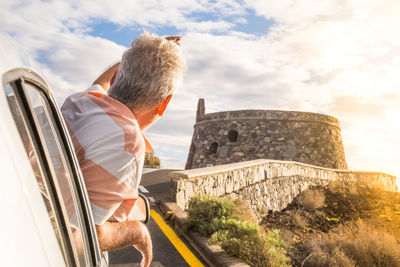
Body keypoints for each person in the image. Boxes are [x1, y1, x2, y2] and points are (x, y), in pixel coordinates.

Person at [61, 33, 186, 267]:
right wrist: (136, 231)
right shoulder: (127, 143)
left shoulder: (81, 101)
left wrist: (139, 58)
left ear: (119, 75)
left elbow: (103, 81)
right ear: (165, 103)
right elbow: (76, 236)